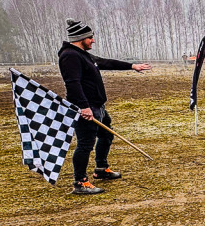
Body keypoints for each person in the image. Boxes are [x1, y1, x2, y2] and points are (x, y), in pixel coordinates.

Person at [58, 18, 151, 195]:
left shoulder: (83, 54)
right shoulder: (70, 56)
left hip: (97, 106)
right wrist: (83, 107)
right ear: (80, 38)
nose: (93, 40)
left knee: (106, 135)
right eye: (90, 37)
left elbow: (106, 62)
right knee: (85, 144)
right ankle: (80, 182)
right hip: (86, 108)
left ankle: (101, 168)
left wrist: (132, 66)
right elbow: (72, 83)